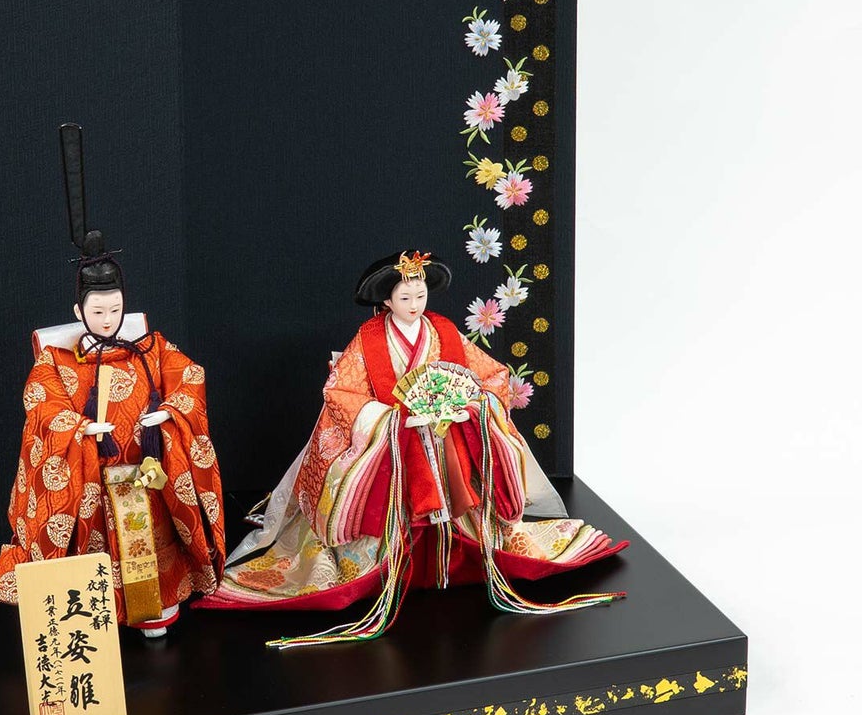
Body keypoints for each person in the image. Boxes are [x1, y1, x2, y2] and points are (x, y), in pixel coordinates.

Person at [198, 250, 626, 645]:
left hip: (445, 439)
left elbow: (491, 376)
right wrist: (388, 418)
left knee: (464, 493)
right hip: (394, 442)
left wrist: (469, 405)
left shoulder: (444, 331)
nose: (415, 304)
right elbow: (341, 392)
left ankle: (453, 560)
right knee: (382, 492)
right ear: (386, 300)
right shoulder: (369, 339)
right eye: (405, 297)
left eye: (421, 295)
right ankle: (392, 567)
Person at [0, 126, 225, 635]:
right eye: (97, 311)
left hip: (143, 467)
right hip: (91, 475)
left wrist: (172, 412)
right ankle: (92, 621)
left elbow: (189, 376)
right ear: (79, 311)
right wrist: (77, 428)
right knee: (91, 542)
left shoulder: (150, 346)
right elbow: (41, 404)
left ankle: (152, 611)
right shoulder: (57, 360)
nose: (108, 319)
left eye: (115, 309)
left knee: (147, 540)